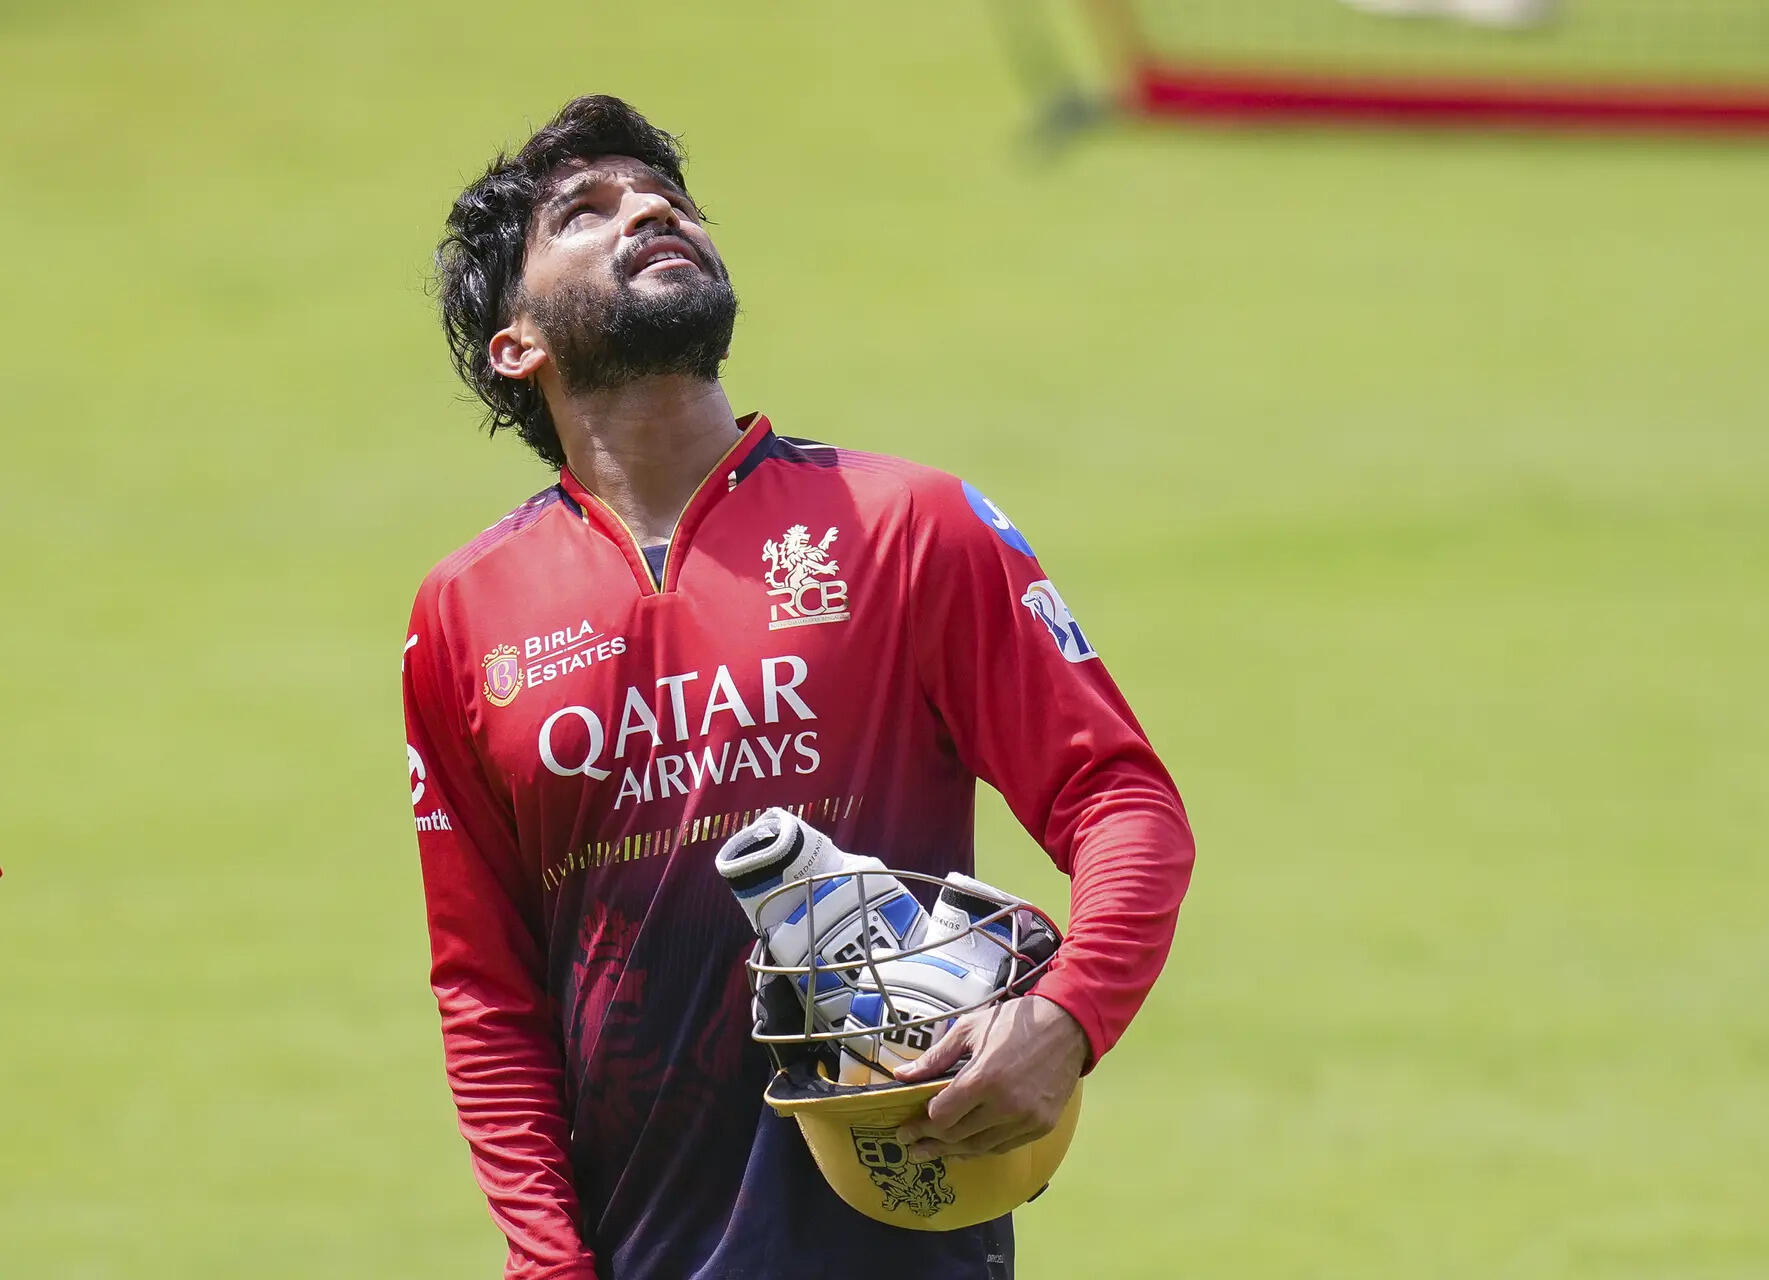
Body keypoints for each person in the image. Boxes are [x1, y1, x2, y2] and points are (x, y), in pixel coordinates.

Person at [403, 94, 1195, 1280]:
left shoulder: (907, 524)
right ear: (515, 343)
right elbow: (489, 991)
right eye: (586, 211)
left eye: (666, 197)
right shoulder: (463, 614)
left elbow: (1120, 799)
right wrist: (547, 1264)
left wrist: (1066, 1015)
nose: (650, 210)